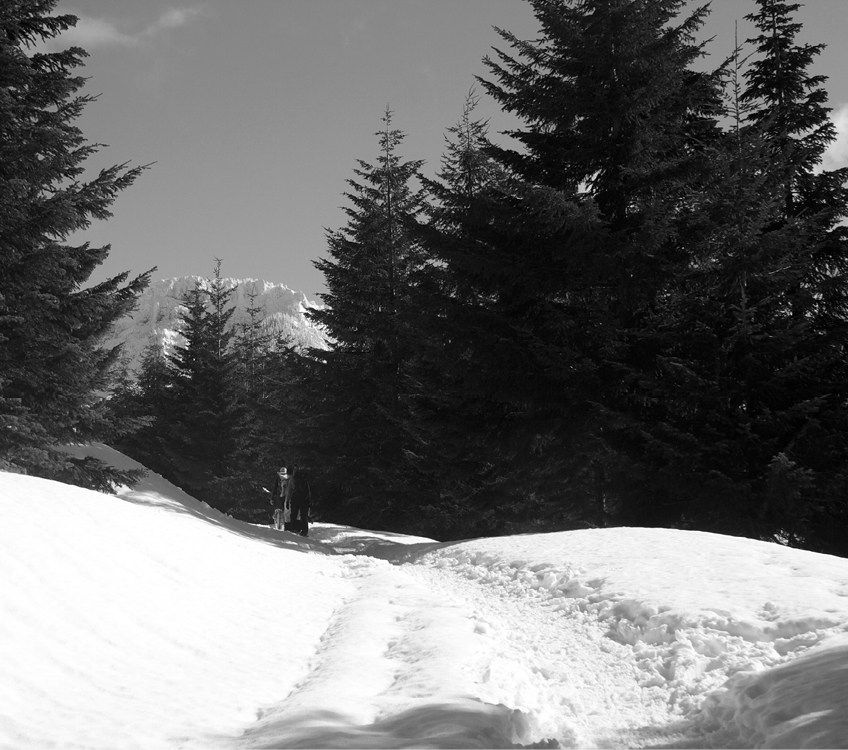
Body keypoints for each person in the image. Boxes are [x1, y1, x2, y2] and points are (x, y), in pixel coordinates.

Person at [287, 467, 311, 537]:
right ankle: (304, 531)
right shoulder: (305, 480)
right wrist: (309, 500)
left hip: (295, 498)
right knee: (304, 515)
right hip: (304, 499)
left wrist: (287, 501)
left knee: (294, 514)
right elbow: (308, 490)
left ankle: (293, 528)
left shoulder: (292, 480)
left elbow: (289, 491)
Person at [270, 466, 291, 530]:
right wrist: (272, 496)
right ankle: (277, 518)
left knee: (284, 510)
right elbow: (275, 487)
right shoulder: (281, 479)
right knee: (280, 508)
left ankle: (283, 522)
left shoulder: (288, 480)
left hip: (284, 496)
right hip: (281, 495)